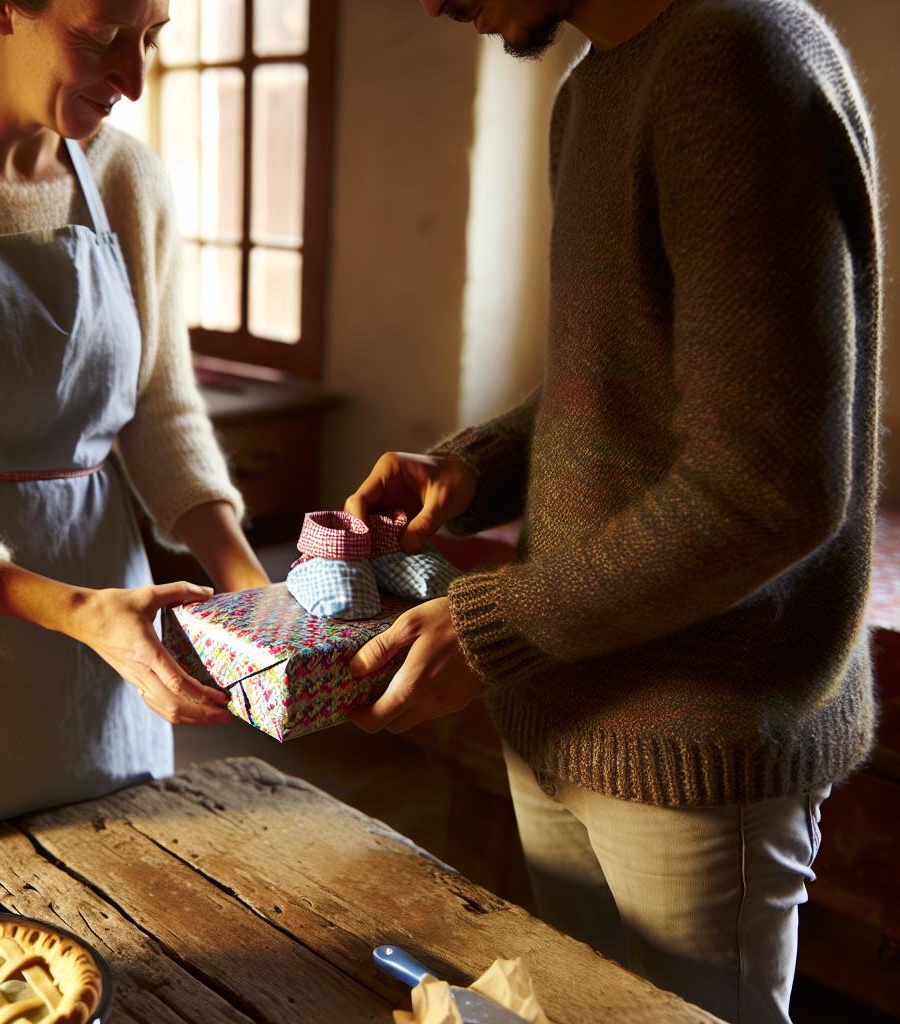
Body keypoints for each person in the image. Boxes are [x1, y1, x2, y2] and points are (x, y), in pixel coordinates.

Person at [344, 0, 881, 1020]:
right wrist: (475, 466)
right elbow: (630, 375)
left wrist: (492, 625)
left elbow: (770, 485)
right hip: (565, 703)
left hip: (692, 741)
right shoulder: (594, 85)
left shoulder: (735, 60)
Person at [0, 0, 270, 859]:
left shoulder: (130, 181)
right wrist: (81, 613)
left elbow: (161, 415)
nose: (134, 79)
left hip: (115, 651)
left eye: (153, 38)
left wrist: (252, 591)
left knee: (132, 881)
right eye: (100, 39)